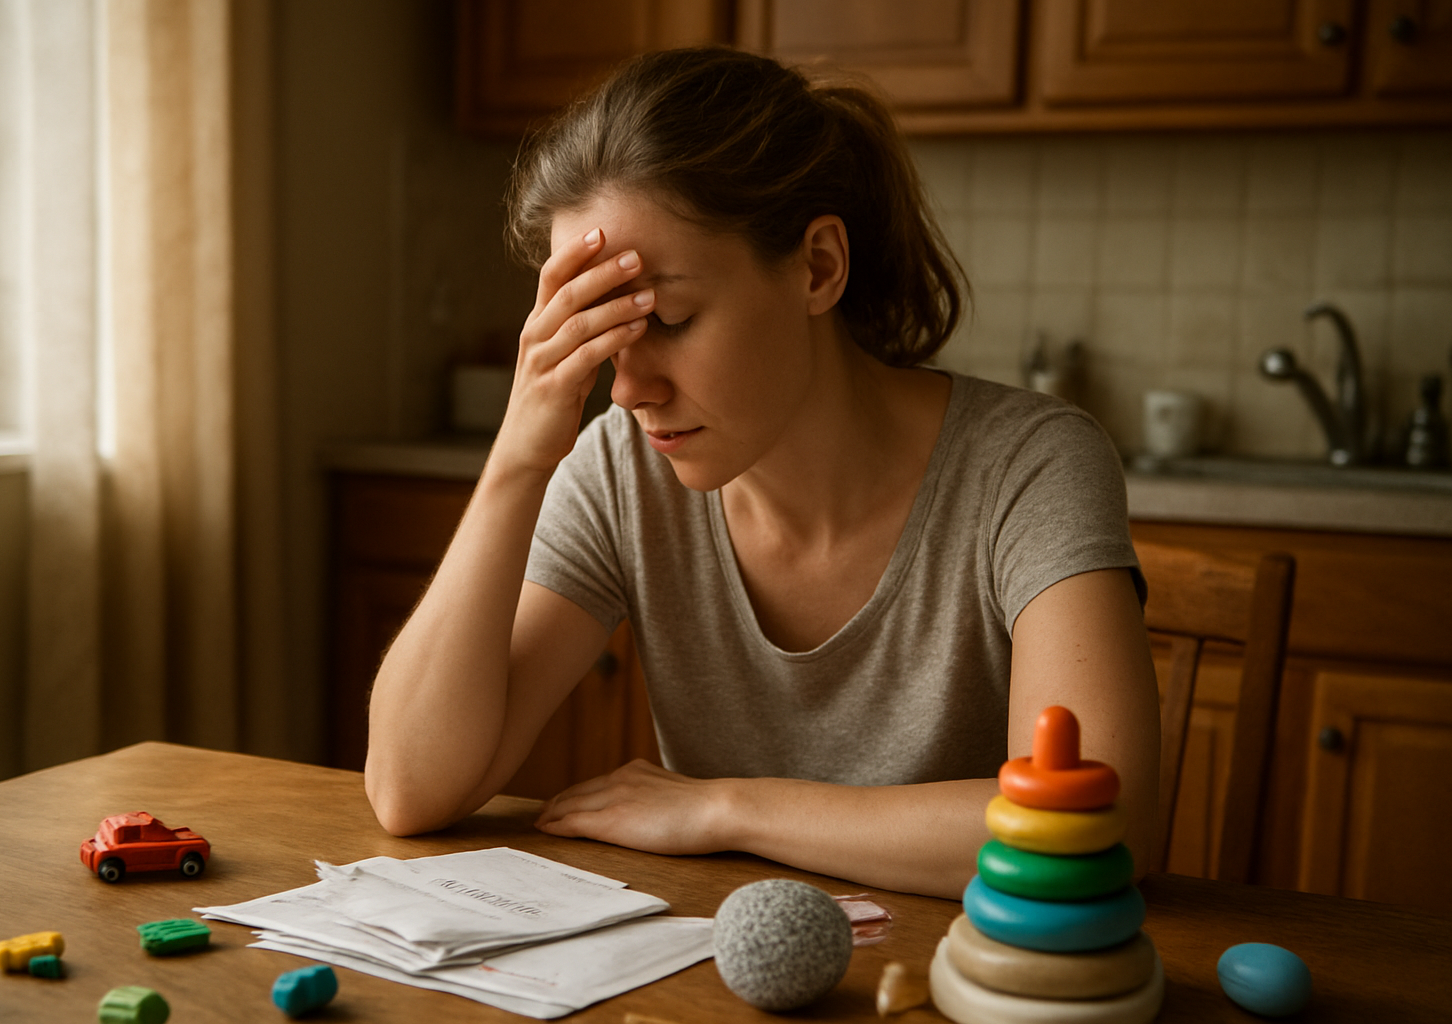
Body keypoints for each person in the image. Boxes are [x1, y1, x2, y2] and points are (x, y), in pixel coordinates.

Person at [365, 47, 1160, 899]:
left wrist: (727, 810)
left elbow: (1093, 824)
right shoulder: (622, 469)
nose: (628, 389)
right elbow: (411, 788)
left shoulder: (1029, 465)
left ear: (818, 266)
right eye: (601, 336)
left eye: (668, 318)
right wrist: (518, 457)